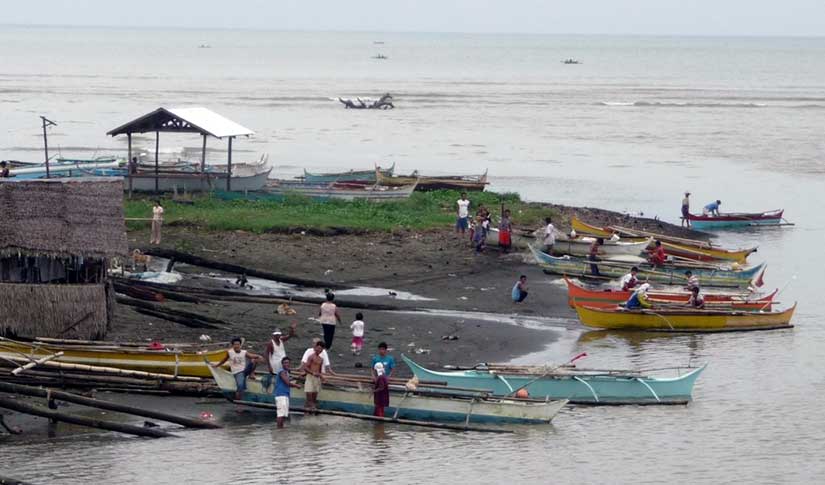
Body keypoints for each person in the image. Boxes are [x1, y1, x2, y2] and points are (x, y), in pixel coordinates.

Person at [299, 341, 325, 413]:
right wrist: (313, 373)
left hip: (317, 379)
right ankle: (309, 411)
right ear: (315, 347)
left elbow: (319, 371)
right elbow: (306, 367)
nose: (319, 350)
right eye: (318, 348)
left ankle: (308, 412)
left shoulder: (321, 359)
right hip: (310, 377)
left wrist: (322, 377)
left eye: (321, 349)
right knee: (309, 395)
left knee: (314, 397)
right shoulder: (311, 357)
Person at [274, 356, 300, 428]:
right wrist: (296, 386)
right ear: (282, 364)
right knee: (280, 414)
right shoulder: (282, 372)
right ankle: (279, 430)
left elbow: (289, 379)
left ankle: (281, 429)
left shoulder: (286, 372)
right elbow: (287, 382)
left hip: (285, 395)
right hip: (281, 395)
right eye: (285, 363)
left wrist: (297, 377)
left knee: (283, 414)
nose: (287, 364)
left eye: (288, 363)